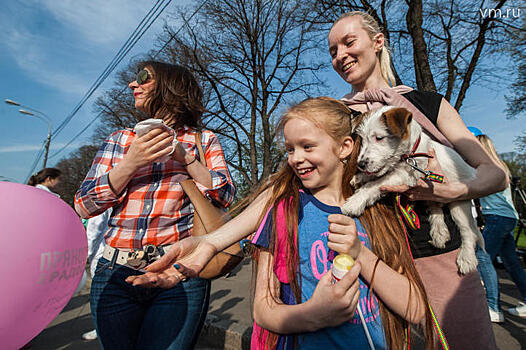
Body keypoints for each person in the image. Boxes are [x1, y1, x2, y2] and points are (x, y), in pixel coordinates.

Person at [129, 11, 507, 349]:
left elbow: (495, 174)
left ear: (378, 42)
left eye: (348, 42)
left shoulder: (427, 104)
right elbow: (281, 190)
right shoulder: (335, 115)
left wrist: (448, 190)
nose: (340, 55)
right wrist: (210, 243)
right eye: (331, 50)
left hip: (440, 259)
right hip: (374, 260)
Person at [249, 97, 436, 349]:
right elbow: (263, 309)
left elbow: (416, 309)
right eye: (290, 149)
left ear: (345, 147)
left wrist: (360, 253)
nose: (295, 158)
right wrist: (312, 315)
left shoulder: (378, 210)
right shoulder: (285, 212)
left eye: (307, 146)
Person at [74, 61, 235, 350]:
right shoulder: (119, 140)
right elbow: (83, 206)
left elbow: (225, 195)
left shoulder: (203, 140)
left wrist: (186, 159)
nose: (132, 85)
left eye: (143, 78)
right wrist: (131, 162)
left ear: (171, 87)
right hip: (115, 271)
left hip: (179, 273)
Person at [475, 134, 526, 320]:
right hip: (508, 217)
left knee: (482, 256)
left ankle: (493, 307)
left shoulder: (485, 168)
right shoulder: (500, 165)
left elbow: (474, 187)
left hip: (497, 218)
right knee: (511, 261)